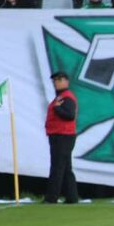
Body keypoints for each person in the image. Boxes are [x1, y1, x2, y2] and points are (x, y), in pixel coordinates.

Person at [44, 71, 79, 204]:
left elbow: (70, 115)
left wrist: (58, 109)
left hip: (63, 135)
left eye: (59, 80)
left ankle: (52, 197)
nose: (56, 83)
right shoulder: (61, 97)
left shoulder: (67, 97)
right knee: (65, 168)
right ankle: (71, 197)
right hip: (60, 135)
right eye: (54, 80)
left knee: (57, 167)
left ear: (66, 81)